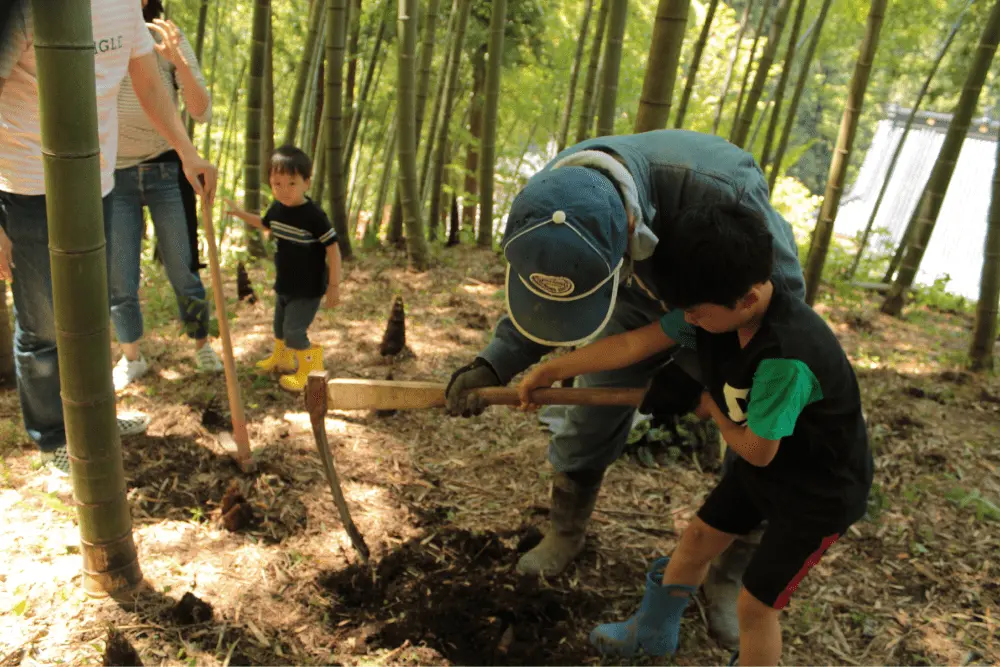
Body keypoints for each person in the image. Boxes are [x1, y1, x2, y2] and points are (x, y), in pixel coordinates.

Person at [444, 129, 806, 647]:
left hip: (732, 318)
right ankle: (566, 529)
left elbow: (780, 312)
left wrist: (692, 373)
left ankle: (729, 576)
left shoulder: (723, 194)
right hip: (633, 297)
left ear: (631, 227)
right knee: (588, 418)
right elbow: (551, 290)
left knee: (759, 454)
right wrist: (495, 364)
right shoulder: (558, 194)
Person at [516, 202, 873, 665]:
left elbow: (756, 450)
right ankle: (652, 633)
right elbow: (633, 343)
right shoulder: (713, 312)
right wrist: (553, 368)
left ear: (747, 299)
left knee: (756, 605)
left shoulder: (786, 357)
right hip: (768, 469)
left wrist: (715, 411)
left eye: (697, 314)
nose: (689, 322)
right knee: (697, 541)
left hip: (817, 493)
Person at [0, 0, 217, 474]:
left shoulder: (125, 6)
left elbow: (147, 83)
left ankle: (93, 420)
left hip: (96, 180)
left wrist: (187, 152)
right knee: (41, 324)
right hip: (27, 184)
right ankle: (53, 439)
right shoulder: (26, 7)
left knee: (89, 313)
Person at [110, 0, 222, 391]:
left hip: (165, 167)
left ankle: (202, 342)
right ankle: (131, 357)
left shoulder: (163, 34)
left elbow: (201, 111)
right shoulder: (94, 31)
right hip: (112, 172)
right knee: (120, 277)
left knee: (181, 266)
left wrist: (180, 63)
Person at [225, 145, 341, 392]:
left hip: (308, 288)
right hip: (285, 282)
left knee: (294, 331)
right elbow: (265, 224)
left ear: (306, 183)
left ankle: (311, 373)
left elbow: (333, 249)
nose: (284, 190)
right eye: (277, 184)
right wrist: (239, 213)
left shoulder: (314, 215)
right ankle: (283, 358)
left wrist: (334, 286)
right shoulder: (277, 209)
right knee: (279, 326)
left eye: (292, 184)